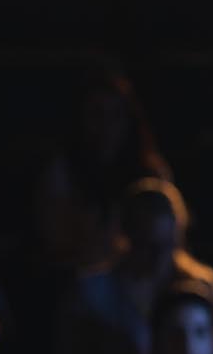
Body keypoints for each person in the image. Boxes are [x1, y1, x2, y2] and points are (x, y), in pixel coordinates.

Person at [53, 177, 213, 354]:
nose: (159, 257)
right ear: (126, 239)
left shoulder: (202, 286)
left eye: (168, 244)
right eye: (148, 245)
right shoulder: (92, 294)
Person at [34, 71, 172, 270]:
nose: (106, 125)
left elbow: (167, 240)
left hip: (144, 276)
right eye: (97, 114)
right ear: (80, 118)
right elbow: (56, 242)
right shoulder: (61, 172)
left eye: (116, 114)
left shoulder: (152, 174)